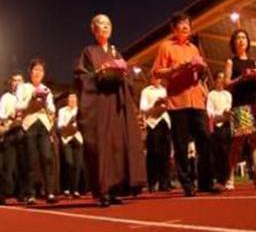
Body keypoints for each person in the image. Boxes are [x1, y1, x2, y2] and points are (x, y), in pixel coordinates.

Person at [75, 14, 146, 207]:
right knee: (102, 147)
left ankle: (117, 190)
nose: (105, 28)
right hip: (99, 105)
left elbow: (127, 77)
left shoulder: (116, 52)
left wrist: (123, 72)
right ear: (93, 29)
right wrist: (98, 73)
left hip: (115, 104)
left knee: (118, 146)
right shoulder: (88, 52)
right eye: (100, 24)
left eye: (108, 24)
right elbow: (82, 78)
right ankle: (103, 191)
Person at [152, 12, 219, 197]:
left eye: (187, 23)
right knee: (181, 145)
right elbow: (157, 72)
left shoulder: (194, 49)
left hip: (197, 100)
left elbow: (200, 75)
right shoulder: (166, 46)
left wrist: (201, 68)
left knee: (205, 139)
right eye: (181, 24)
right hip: (178, 101)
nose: (185, 26)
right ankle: (187, 183)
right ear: (174, 28)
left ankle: (206, 181)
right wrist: (176, 68)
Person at [224, 29, 256, 189]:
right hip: (240, 105)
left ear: (248, 42)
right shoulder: (231, 62)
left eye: (244, 37)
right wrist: (242, 77)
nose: (241, 40)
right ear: (233, 42)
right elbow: (226, 84)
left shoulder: (253, 62)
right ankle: (230, 178)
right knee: (238, 142)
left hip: (255, 103)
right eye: (238, 38)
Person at [16, 59, 57, 204]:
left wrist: (45, 102)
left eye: (41, 70)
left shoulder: (46, 89)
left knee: (47, 158)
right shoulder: (23, 87)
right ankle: (31, 194)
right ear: (30, 72)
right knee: (31, 160)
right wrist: (30, 100)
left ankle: (50, 192)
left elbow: (52, 109)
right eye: (36, 70)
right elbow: (18, 105)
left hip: (44, 125)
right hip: (29, 124)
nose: (38, 73)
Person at [140, 77, 171, 192]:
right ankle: (152, 182)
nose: (158, 80)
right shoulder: (146, 91)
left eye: (159, 78)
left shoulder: (165, 90)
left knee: (165, 153)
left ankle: (165, 182)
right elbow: (143, 108)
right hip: (153, 122)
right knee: (153, 152)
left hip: (165, 121)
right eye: (155, 77)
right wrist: (155, 105)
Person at [0, 71, 25, 204]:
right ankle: (3, 194)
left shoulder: (26, 97)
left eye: (19, 80)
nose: (16, 83)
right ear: (11, 83)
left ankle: (22, 194)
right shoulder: (6, 97)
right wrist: (9, 115)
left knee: (23, 165)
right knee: (8, 166)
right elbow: (1, 115)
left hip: (24, 132)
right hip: (10, 132)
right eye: (14, 80)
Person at [206, 72, 233, 190]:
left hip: (227, 125)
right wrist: (219, 116)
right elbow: (209, 110)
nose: (221, 82)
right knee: (218, 153)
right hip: (217, 125)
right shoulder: (211, 94)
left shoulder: (227, 94)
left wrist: (227, 114)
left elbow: (229, 106)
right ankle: (220, 179)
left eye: (223, 79)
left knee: (227, 152)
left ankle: (227, 178)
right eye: (219, 79)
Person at [57, 92, 84, 198]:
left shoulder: (80, 110)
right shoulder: (62, 111)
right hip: (66, 138)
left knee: (78, 165)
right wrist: (69, 123)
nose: (72, 101)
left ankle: (75, 189)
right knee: (69, 163)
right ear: (67, 100)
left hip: (78, 138)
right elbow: (59, 126)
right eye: (70, 99)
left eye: (74, 99)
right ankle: (67, 187)